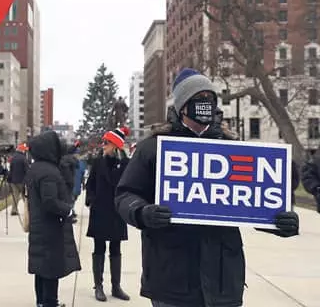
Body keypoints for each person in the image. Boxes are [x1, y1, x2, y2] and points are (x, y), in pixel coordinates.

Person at [115, 68, 300, 307]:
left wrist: (279, 221)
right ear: (182, 106)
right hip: (171, 278)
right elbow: (125, 194)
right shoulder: (153, 148)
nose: (206, 104)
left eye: (210, 98)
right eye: (198, 99)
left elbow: (253, 200)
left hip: (223, 280)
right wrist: (141, 212)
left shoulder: (235, 149)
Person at [25, 130, 81, 307]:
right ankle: (50, 302)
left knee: (41, 268)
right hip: (49, 227)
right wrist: (68, 211)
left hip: (40, 225)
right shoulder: (49, 172)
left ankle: (41, 301)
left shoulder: (36, 168)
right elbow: (50, 201)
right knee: (51, 268)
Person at [85, 128, 131, 302]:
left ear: (116, 145)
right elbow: (90, 183)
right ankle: (98, 286)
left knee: (116, 248)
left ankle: (116, 286)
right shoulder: (98, 162)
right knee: (99, 248)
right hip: (100, 210)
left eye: (106, 143)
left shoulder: (126, 164)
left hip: (117, 211)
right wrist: (91, 199)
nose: (103, 146)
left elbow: (130, 184)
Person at [8, 142, 29, 216]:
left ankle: (14, 210)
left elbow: (11, 169)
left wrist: (9, 178)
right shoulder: (23, 158)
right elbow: (27, 170)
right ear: (22, 150)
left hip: (13, 180)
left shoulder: (13, 157)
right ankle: (28, 210)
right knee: (25, 196)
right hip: (22, 181)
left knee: (15, 195)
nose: (25, 151)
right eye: (25, 150)